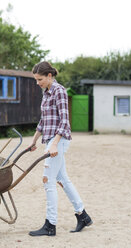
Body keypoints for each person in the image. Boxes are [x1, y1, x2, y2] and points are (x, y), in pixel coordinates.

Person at [28, 61, 93, 236]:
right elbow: (43, 121)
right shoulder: (46, 93)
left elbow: (65, 121)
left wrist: (55, 143)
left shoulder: (60, 91)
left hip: (59, 140)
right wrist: (34, 141)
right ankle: (83, 215)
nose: (37, 83)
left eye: (39, 79)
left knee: (47, 180)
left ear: (49, 76)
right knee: (62, 178)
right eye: (36, 80)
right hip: (50, 140)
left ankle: (50, 225)